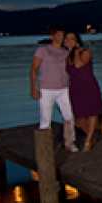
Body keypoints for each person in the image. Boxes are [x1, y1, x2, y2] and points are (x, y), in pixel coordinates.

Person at [31, 24, 77, 152]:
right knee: (46, 119)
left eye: (62, 35)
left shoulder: (65, 52)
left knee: (69, 116)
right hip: (46, 89)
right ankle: (44, 146)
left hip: (63, 88)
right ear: (51, 36)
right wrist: (33, 88)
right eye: (58, 35)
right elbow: (34, 69)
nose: (61, 38)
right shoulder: (43, 50)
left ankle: (70, 142)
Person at [64, 32, 102, 151]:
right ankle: (90, 137)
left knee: (91, 112)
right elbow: (69, 73)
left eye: (72, 39)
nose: (69, 41)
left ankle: (87, 141)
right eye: (67, 39)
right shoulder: (67, 56)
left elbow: (78, 65)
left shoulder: (85, 52)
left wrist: (75, 51)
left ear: (77, 41)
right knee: (78, 119)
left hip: (88, 86)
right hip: (75, 87)